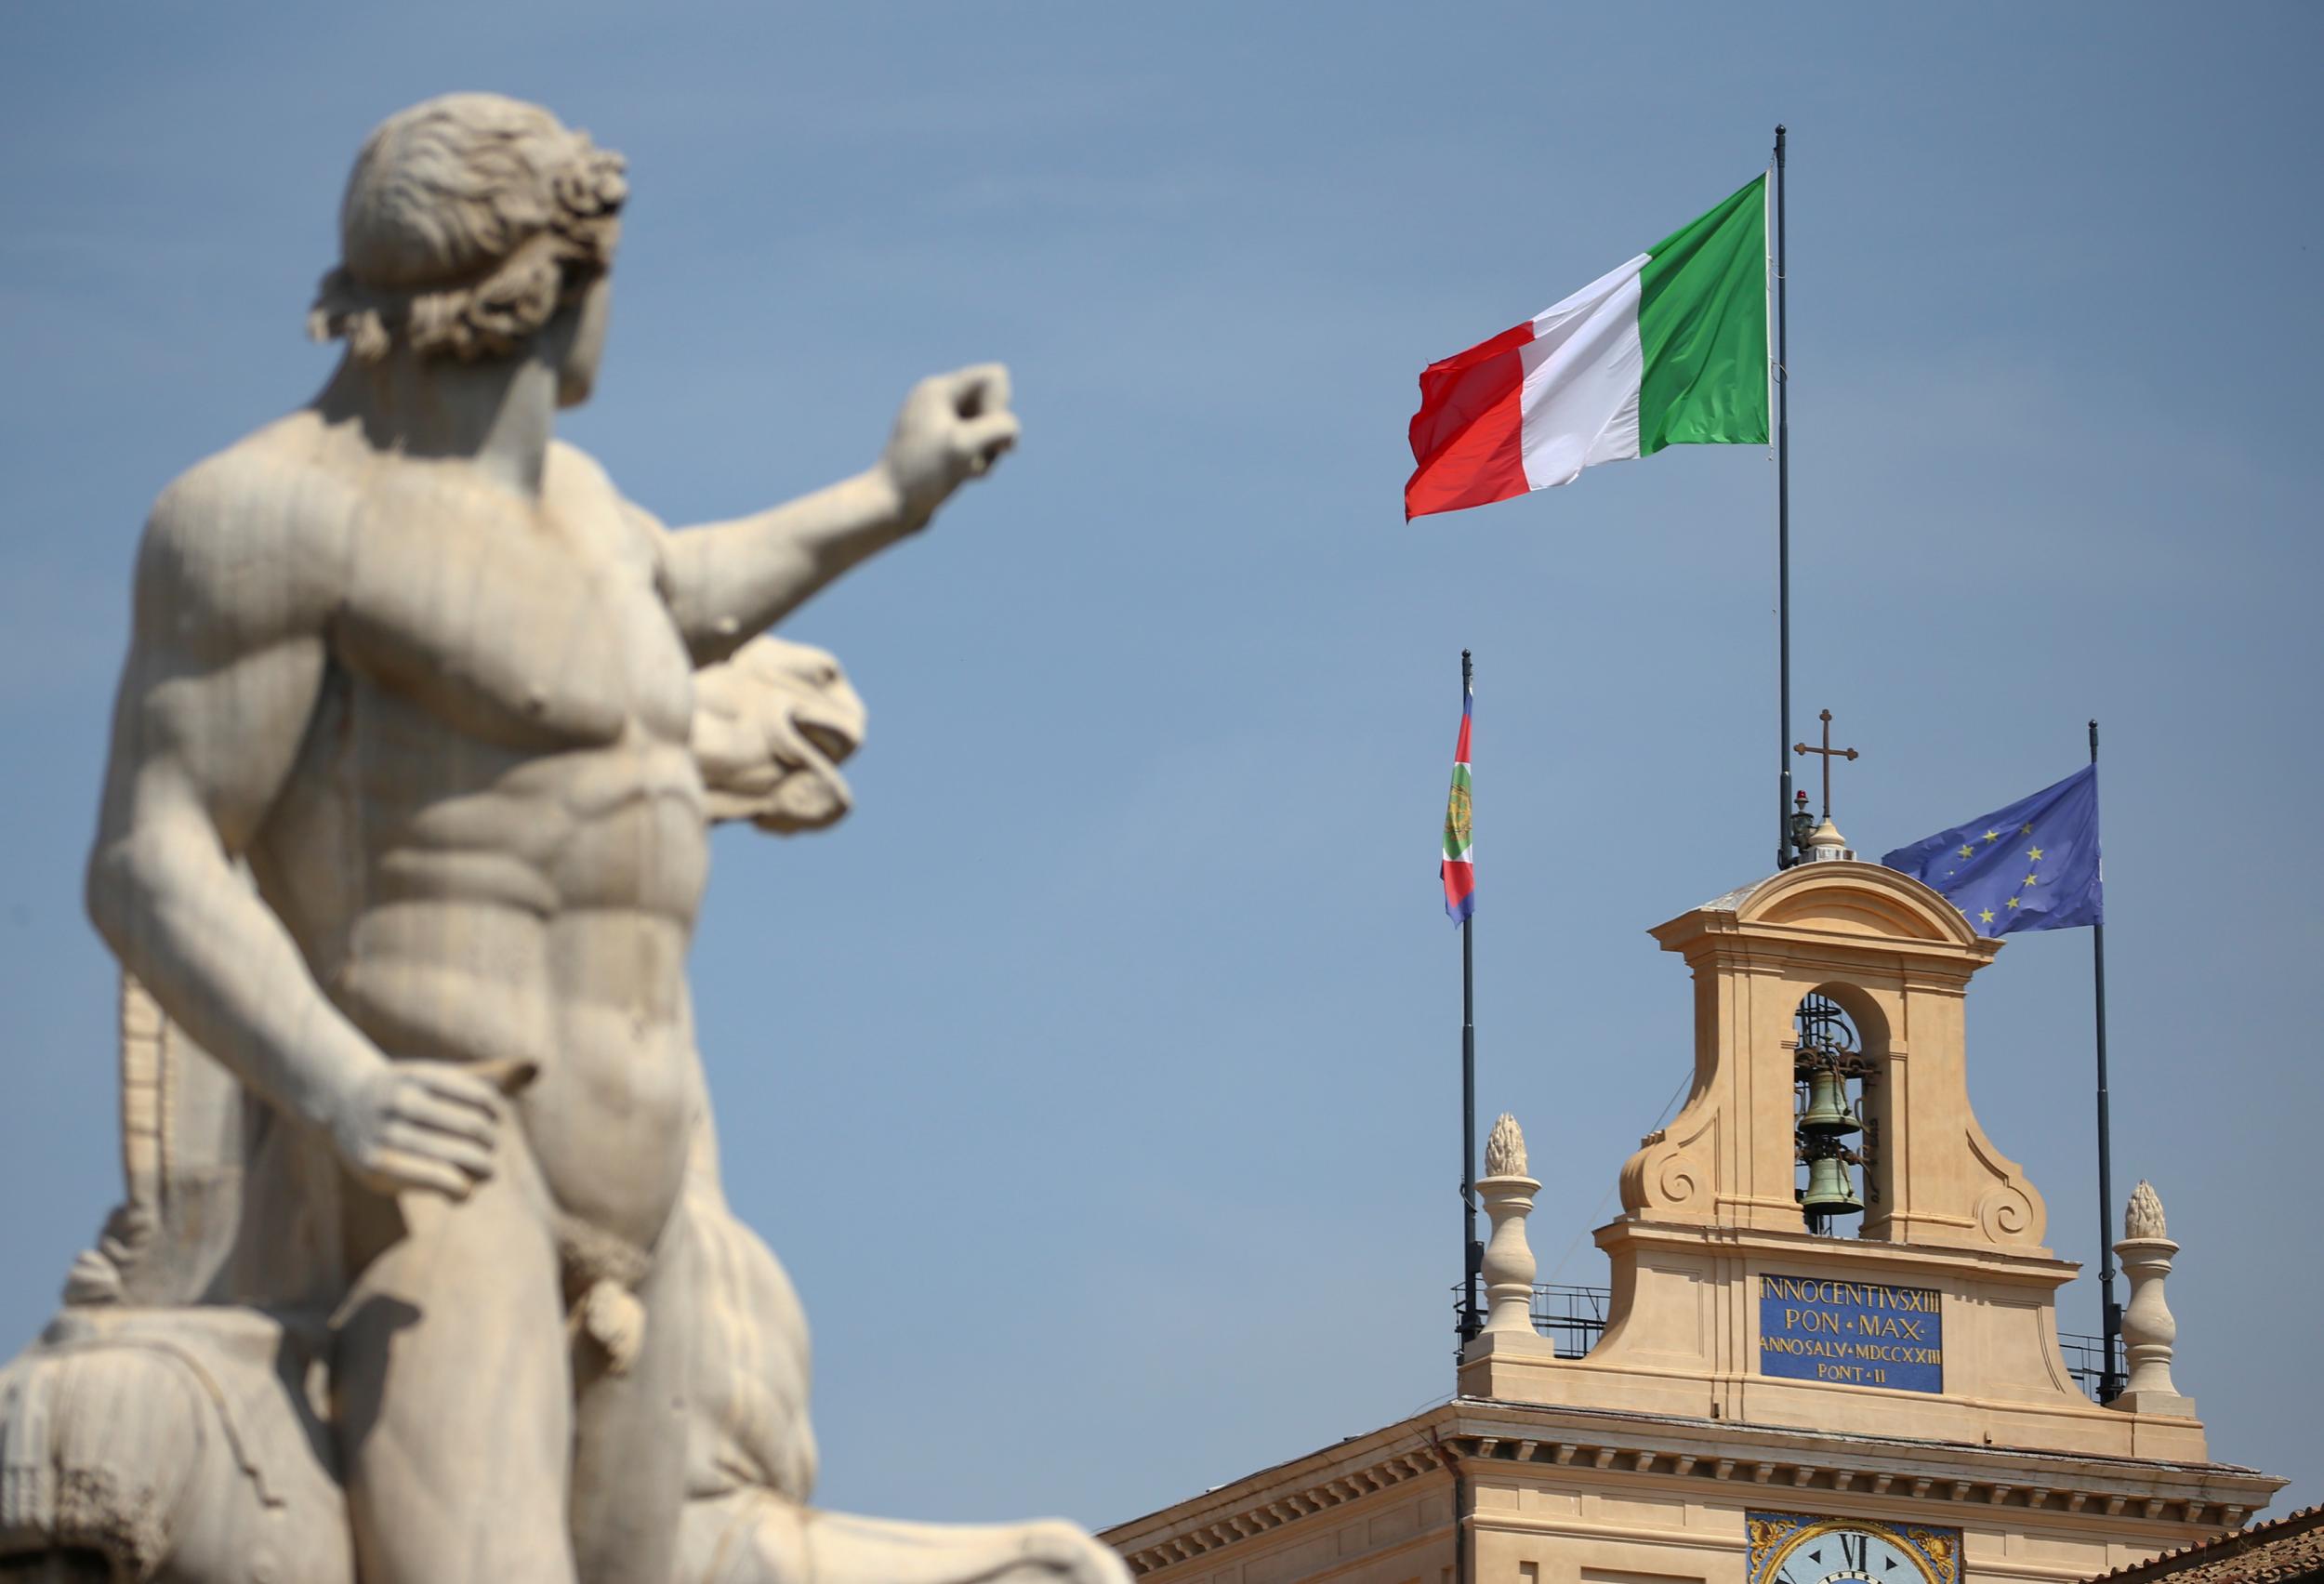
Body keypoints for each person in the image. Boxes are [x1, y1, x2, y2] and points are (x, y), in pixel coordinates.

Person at [84, 92, 1015, 1584]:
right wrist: (348, 1092)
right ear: (561, 278)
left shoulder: (586, 516)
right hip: (442, 1201)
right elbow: (153, 854)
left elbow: (691, 588)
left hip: (646, 1223)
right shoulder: (267, 521)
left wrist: (892, 499)